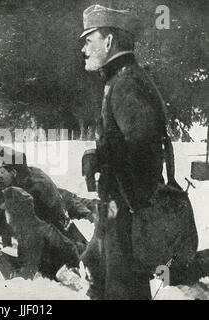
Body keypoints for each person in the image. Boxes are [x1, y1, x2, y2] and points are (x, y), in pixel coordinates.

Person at [79, 4, 166, 300]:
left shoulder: (127, 82)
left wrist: (126, 212)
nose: (84, 49)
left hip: (127, 220)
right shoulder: (119, 80)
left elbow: (143, 153)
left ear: (108, 42)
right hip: (116, 215)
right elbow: (125, 146)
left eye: (88, 40)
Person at [0, 186, 81, 280]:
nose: (4, 215)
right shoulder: (34, 226)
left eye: (6, 210)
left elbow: (23, 282)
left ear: (15, 212)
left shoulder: (31, 235)